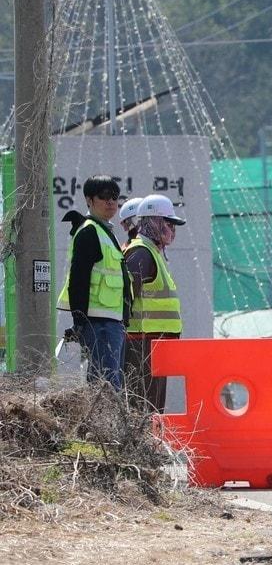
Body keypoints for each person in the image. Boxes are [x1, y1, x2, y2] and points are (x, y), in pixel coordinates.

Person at [56, 176, 130, 390]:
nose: (111, 202)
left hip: (111, 322)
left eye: (115, 197)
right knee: (106, 385)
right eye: (104, 196)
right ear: (89, 199)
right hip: (99, 323)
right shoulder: (90, 231)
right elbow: (78, 279)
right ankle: (106, 423)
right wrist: (79, 321)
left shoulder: (106, 231)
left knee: (106, 382)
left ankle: (104, 422)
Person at [123, 194, 185, 413]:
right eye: (168, 223)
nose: (173, 229)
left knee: (153, 408)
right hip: (141, 344)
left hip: (154, 344)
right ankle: (140, 447)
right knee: (144, 408)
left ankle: (149, 446)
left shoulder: (152, 253)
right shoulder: (141, 253)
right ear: (152, 222)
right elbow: (126, 296)